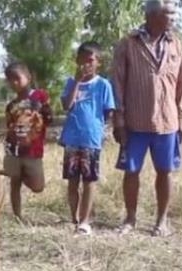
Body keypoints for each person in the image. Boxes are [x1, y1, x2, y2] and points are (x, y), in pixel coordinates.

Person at [111, 0, 182, 236]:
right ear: (153, 15)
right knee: (131, 171)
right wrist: (119, 120)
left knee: (165, 171)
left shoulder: (175, 43)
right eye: (169, 14)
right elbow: (117, 83)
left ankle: (161, 221)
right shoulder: (129, 42)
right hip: (135, 121)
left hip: (168, 121)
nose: (173, 19)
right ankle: (130, 219)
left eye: (174, 15)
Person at [59, 42, 116, 235]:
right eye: (82, 59)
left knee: (89, 180)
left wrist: (101, 132)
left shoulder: (103, 85)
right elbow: (67, 105)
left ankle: (85, 221)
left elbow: (109, 112)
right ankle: (73, 217)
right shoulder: (70, 82)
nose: (86, 64)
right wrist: (76, 82)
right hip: (71, 139)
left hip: (91, 139)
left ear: (98, 62)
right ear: (76, 61)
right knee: (72, 180)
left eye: (90, 60)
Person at [1, 62, 53, 221]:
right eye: (10, 80)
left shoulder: (40, 97)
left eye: (17, 78)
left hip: (33, 151)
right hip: (14, 151)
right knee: (14, 182)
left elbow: (49, 118)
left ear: (28, 77)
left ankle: (21, 175)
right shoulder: (11, 105)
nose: (14, 83)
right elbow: (10, 127)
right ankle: (17, 216)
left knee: (38, 186)